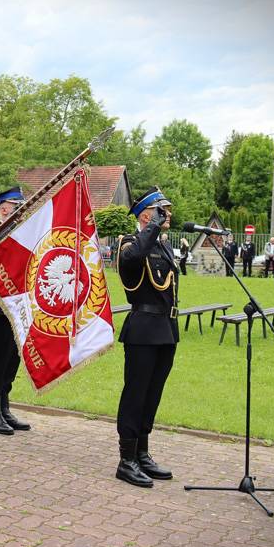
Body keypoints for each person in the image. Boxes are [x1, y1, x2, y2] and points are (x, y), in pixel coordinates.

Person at [115, 186, 177, 488]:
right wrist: (151, 226)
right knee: (136, 393)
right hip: (142, 327)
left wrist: (156, 230)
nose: (167, 214)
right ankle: (126, 460)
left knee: (152, 395)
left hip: (165, 329)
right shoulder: (129, 243)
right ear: (145, 215)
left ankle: (142, 452)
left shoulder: (164, 245)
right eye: (160, 210)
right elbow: (134, 258)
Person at [0, 187, 30, 436]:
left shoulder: (25, 234)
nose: (21, 210)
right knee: (0, 358)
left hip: (21, 306)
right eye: (16, 206)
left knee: (13, 358)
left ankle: (5, 405)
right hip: (0, 306)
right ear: (3, 209)